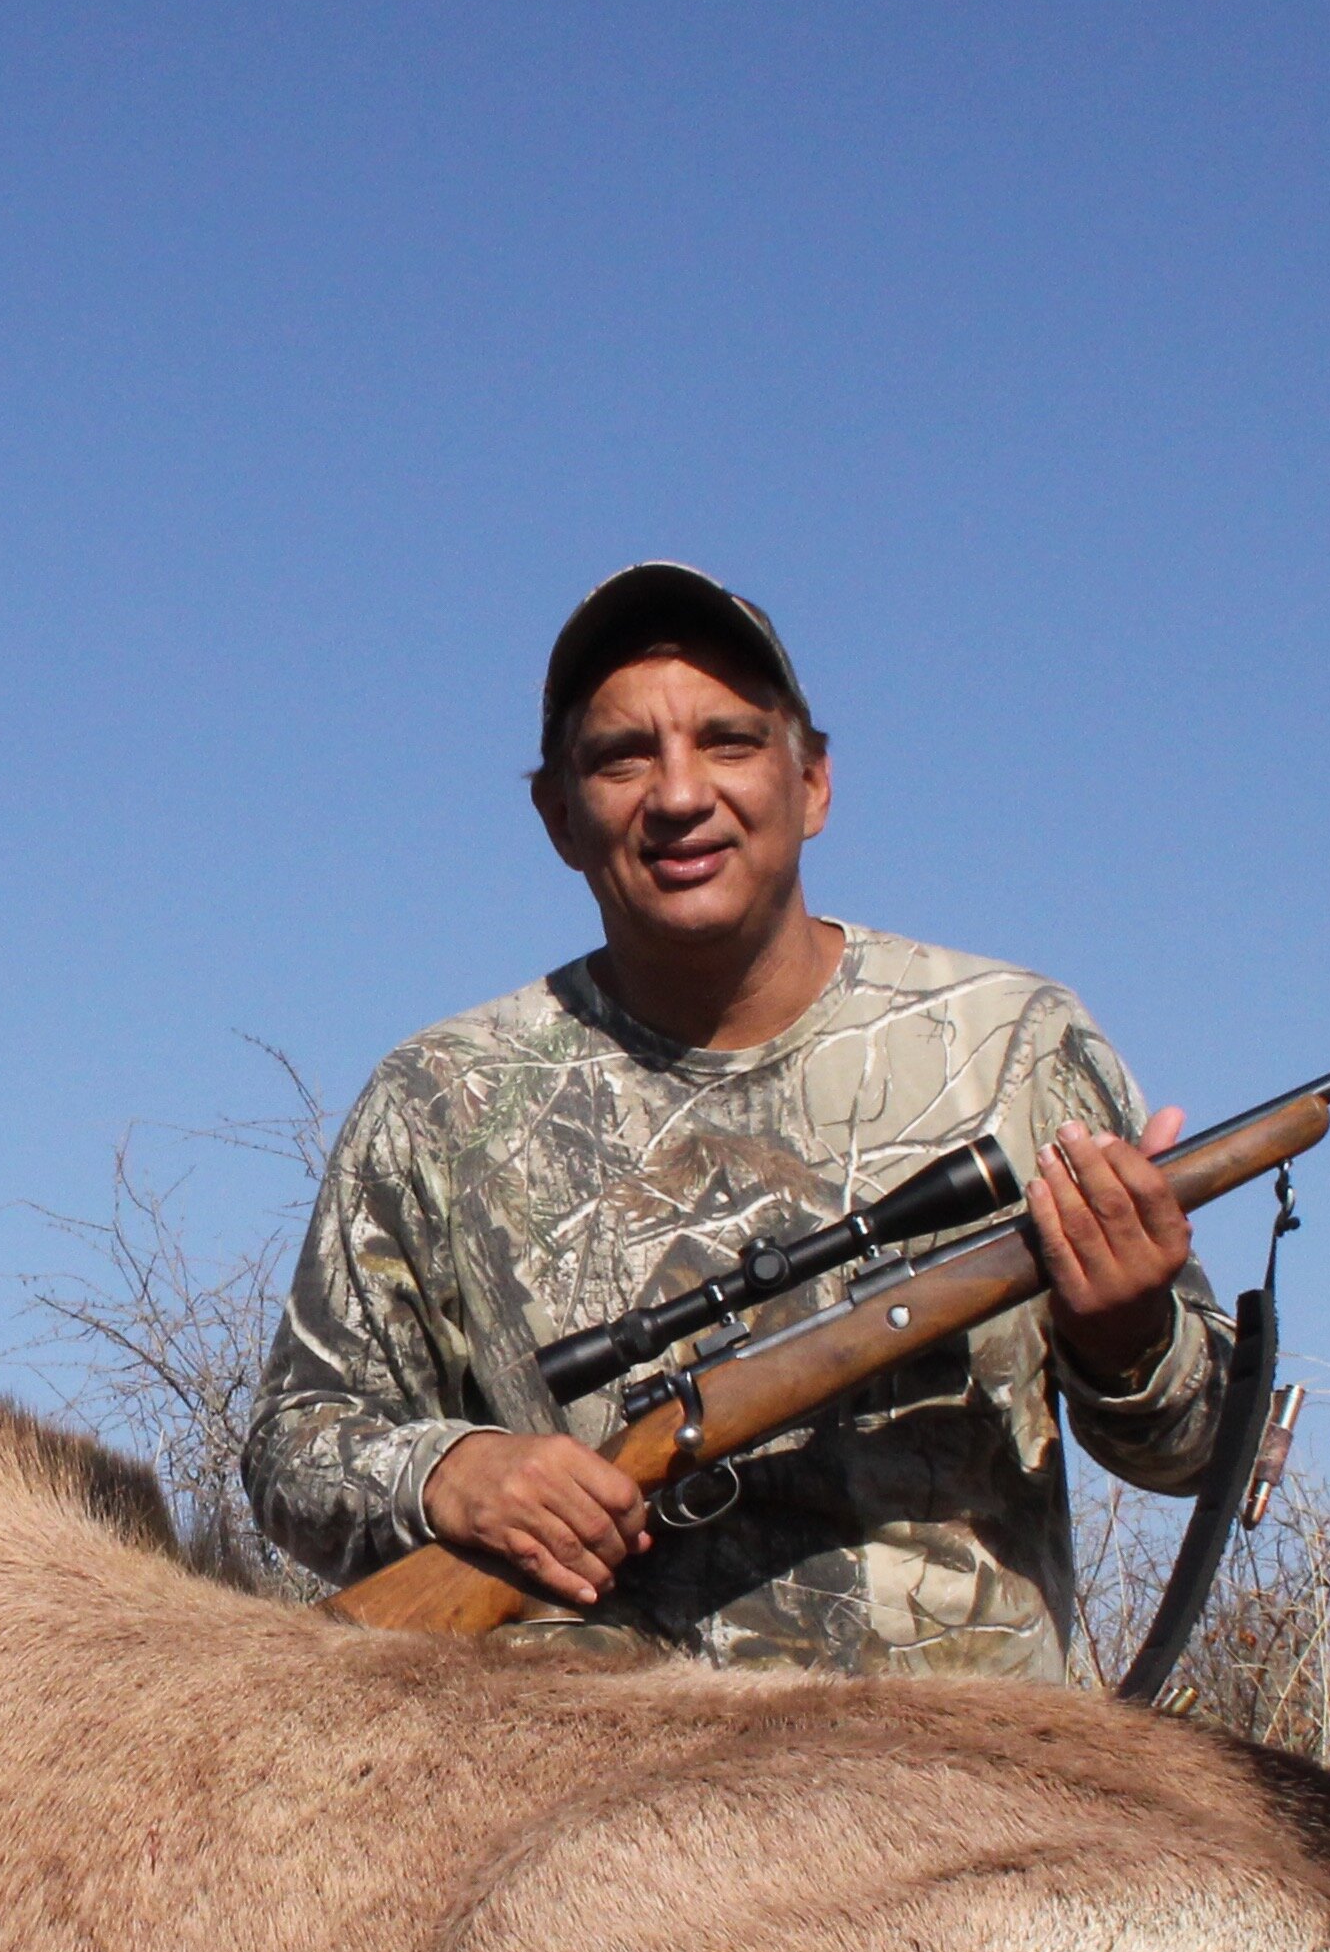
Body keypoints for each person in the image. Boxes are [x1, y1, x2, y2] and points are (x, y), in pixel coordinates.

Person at [244, 561, 1231, 1676]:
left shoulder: (1014, 1045)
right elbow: (293, 1449)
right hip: (585, 1815)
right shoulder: (439, 1098)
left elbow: (1200, 1450)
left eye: (728, 742)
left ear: (812, 783)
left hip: (974, 1805)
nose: (677, 795)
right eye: (623, 757)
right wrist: (453, 1474)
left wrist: (1127, 1335)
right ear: (558, 814)